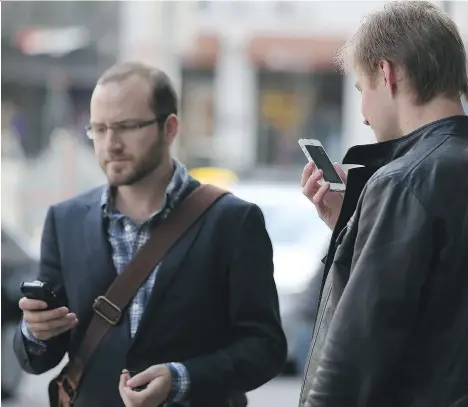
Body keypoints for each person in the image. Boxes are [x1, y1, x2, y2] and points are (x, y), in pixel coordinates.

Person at [14, 62, 287, 407]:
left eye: (127, 127)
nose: (111, 144)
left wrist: (180, 379)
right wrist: (35, 332)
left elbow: (266, 348)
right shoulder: (64, 220)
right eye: (98, 129)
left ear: (169, 128)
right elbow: (38, 358)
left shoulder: (232, 221)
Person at [299, 2, 468, 406]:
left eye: (361, 89)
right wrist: (355, 229)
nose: (363, 115)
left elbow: (353, 355)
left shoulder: (404, 182)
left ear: (386, 73)